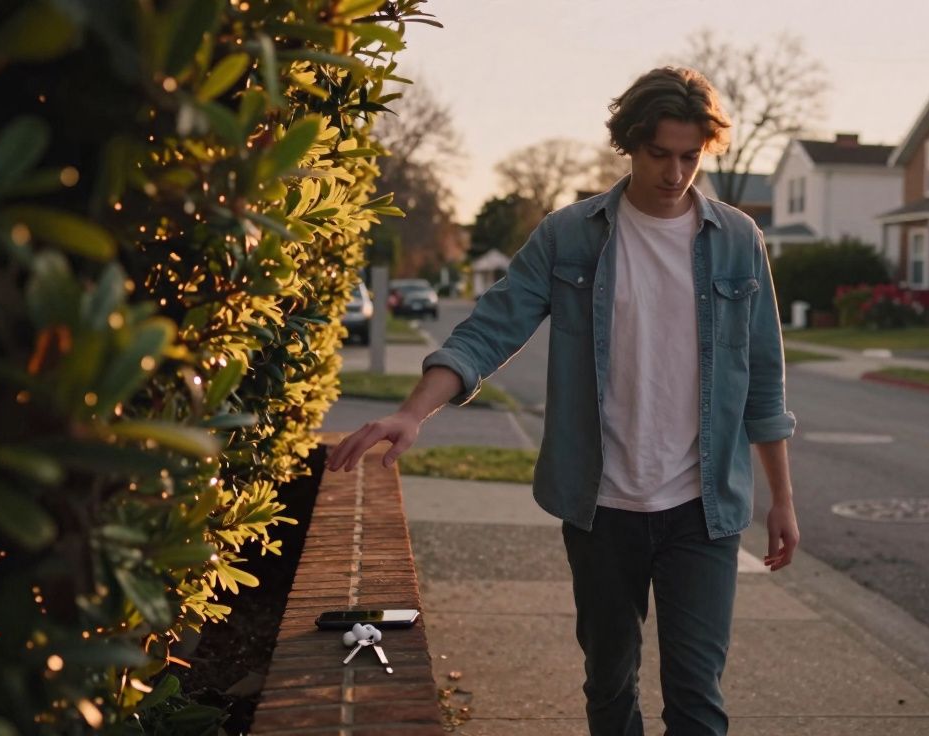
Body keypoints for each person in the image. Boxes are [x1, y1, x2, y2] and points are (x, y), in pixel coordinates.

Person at [325, 66, 799, 736]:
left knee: (698, 699)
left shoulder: (738, 243)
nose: (674, 174)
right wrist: (412, 410)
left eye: (690, 157)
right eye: (659, 155)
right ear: (629, 145)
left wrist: (781, 499)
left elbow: (763, 379)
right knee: (609, 685)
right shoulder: (570, 236)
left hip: (703, 509)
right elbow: (491, 328)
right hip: (601, 508)